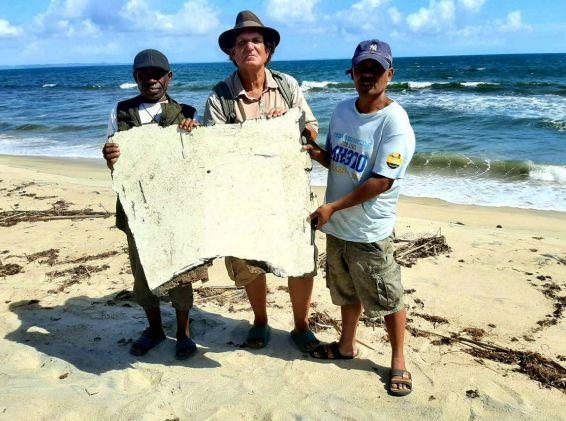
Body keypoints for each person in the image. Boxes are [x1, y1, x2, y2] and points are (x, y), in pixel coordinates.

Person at [204, 11, 320, 352]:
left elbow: (312, 130)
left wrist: (290, 122)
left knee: (300, 260)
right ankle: (260, 320)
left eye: (256, 40)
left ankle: (301, 326)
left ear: (268, 49)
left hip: (288, 191)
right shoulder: (220, 96)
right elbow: (213, 150)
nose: (249, 47)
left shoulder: (287, 86)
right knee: (247, 262)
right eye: (241, 42)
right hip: (244, 196)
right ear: (232, 52)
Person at [304, 40, 415, 396]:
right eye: (362, 68)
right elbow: (338, 159)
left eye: (376, 69)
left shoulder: (395, 122)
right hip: (337, 226)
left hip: (369, 230)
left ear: (390, 74)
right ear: (351, 73)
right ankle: (346, 345)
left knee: (388, 296)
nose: (368, 75)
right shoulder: (341, 110)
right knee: (345, 291)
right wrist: (315, 153)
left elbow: (382, 181)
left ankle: (398, 360)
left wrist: (332, 207)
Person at [102, 49, 200, 360]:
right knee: (142, 271)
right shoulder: (121, 111)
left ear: (169, 77)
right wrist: (109, 156)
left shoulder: (187, 113)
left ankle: (183, 331)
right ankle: (155, 329)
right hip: (136, 207)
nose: (151, 79)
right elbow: (112, 155)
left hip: (175, 207)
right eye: (143, 74)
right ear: (135, 78)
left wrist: (194, 135)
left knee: (181, 270)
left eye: (157, 74)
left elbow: (197, 162)